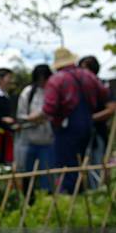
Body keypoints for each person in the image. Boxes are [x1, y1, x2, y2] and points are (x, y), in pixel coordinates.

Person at [29, 47, 110, 194]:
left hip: (67, 128)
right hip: (88, 123)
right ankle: (87, 192)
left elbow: (49, 108)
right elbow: (104, 93)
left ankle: (70, 195)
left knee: (67, 166)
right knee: (85, 161)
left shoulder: (57, 80)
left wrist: (32, 118)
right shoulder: (88, 75)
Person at [78, 55, 116, 187]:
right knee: (81, 164)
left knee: (98, 163)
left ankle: (99, 192)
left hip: (97, 132)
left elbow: (111, 109)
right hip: (81, 132)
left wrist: (91, 119)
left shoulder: (102, 85)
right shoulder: (78, 87)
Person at [16, 64, 54, 191]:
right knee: (27, 173)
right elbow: (20, 116)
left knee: (46, 175)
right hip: (29, 139)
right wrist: (32, 119)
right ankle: (28, 199)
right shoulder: (28, 93)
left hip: (48, 140)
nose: (42, 83)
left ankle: (46, 199)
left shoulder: (53, 91)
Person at [0, 68, 15, 164]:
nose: (11, 81)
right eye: (9, 78)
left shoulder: (6, 95)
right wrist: (1, 119)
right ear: (0, 79)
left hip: (6, 133)